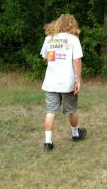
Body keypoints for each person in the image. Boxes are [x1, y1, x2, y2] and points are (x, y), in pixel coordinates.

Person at [40, 14, 87, 152]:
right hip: (68, 82)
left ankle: (48, 143)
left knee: (50, 111)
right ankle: (75, 134)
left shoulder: (49, 39)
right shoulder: (73, 40)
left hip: (51, 81)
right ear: (72, 24)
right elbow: (77, 61)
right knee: (71, 110)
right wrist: (78, 80)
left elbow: (47, 58)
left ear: (58, 23)